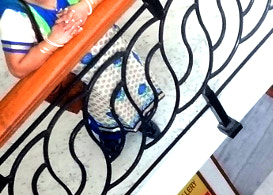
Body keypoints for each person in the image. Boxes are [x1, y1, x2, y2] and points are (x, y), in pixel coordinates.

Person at [0, 0, 159, 161]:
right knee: (102, 108)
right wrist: (52, 41)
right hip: (85, 75)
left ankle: (142, 118)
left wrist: (85, 6)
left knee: (131, 84)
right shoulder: (13, 13)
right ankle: (110, 135)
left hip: (113, 48)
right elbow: (18, 67)